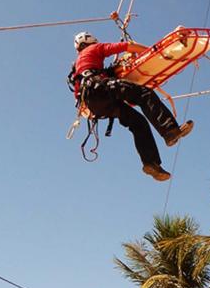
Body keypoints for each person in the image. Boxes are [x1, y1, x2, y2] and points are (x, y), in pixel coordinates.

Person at [70, 32, 193, 181]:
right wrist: (157, 52)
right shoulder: (95, 49)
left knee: (138, 123)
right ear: (90, 42)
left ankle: (150, 163)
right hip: (100, 89)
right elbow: (128, 47)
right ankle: (169, 130)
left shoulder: (79, 65)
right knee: (143, 93)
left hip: (94, 103)